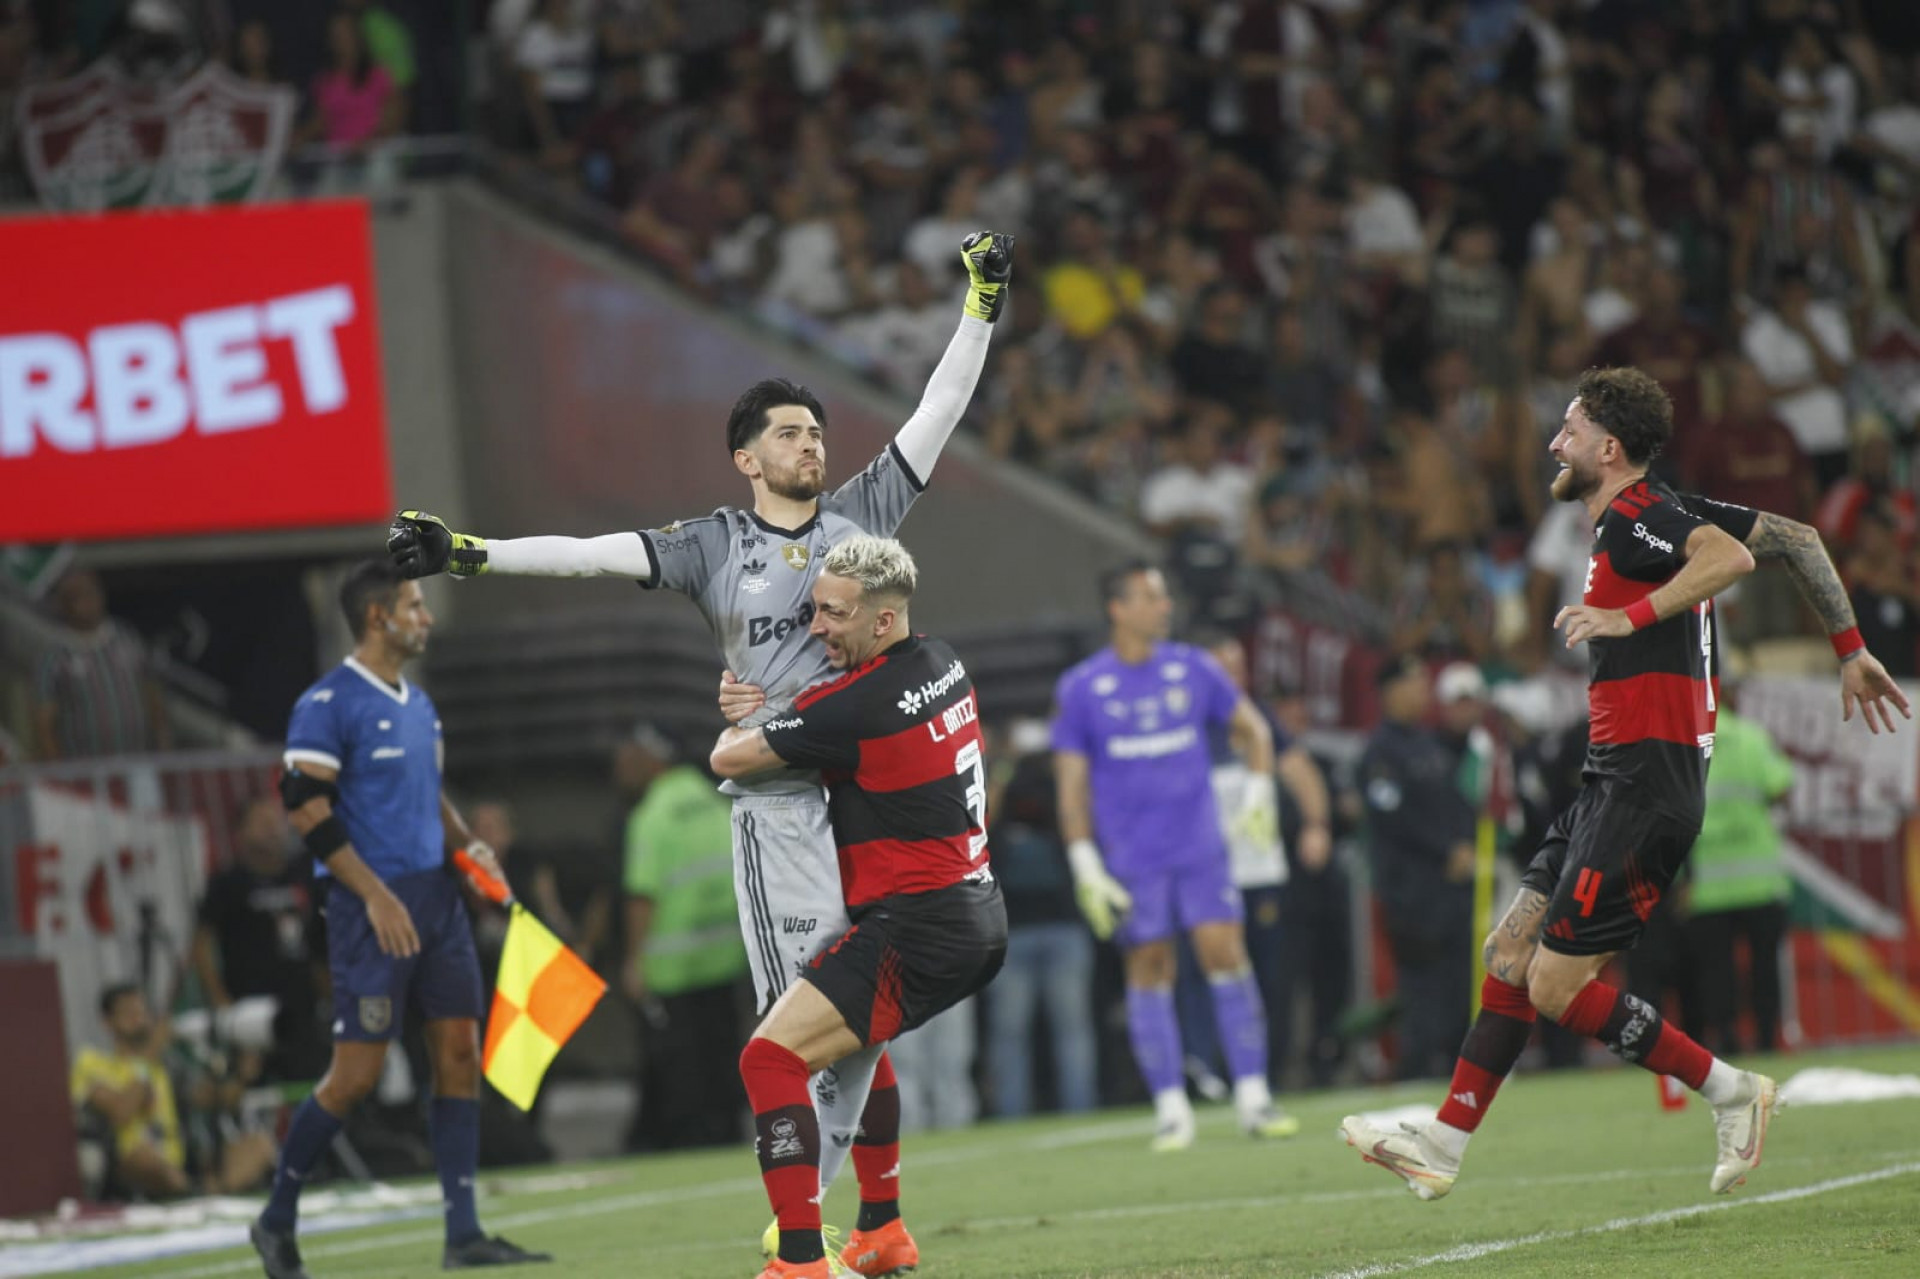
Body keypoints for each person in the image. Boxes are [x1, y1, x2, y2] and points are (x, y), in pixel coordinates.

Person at [388, 231, 1014, 1276]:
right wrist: (473, 554)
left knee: (821, 1025)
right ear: (745, 456)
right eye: (787, 432)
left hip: (854, 806)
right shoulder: (712, 544)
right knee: (830, 1021)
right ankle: (865, 1221)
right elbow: (592, 557)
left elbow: (935, 416)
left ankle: (817, 1226)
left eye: (816, 429)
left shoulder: (860, 514)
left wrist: (982, 307)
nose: (811, 444)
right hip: (779, 806)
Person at [1341, 366, 1912, 1201]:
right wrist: (1850, 645)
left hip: (1646, 785)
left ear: (1608, 448)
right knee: (1508, 951)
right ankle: (1444, 1140)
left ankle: (1729, 1089)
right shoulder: (1658, 511)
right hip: (1608, 780)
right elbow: (1796, 537)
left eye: (1567, 429)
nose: (1552, 443)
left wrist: (1626, 616)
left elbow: (1728, 560)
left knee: (1554, 985)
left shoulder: (1637, 522)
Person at [708, 536, 1006, 1279]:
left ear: (882, 620)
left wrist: (746, 710)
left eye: (833, 614)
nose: (815, 627)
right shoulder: (942, 659)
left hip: (922, 924)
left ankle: (801, 1262)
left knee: (771, 1057)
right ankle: (883, 1228)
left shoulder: (860, 703)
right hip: (973, 912)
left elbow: (728, 758)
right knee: (857, 1046)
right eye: (814, 609)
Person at [250, 562, 548, 1279]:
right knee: (356, 1073)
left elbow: (430, 798)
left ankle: (465, 1231)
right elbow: (305, 807)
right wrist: (375, 895)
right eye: (417, 605)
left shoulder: (419, 703)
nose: (428, 617)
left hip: (437, 901)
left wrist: (470, 852)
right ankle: (276, 1217)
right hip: (366, 907)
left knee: (456, 1056)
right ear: (379, 616)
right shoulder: (326, 702)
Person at [1051, 561, 1300, 1150]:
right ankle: (1170, 1109)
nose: (1164, 607)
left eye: (1163, 596)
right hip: (1131, 859)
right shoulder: (1084, 687)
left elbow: (1255, 732)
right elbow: (1071, 788)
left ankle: (1255, 1100)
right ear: (1118, 608)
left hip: (1200, 849)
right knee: (1149, 968)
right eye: (1150, 597)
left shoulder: (1194, 669)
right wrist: (1085, 863)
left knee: (1226, 955)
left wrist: (1261, 792)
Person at [621, 725, 752, 1151]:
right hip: (725, 956)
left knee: (681, 1065)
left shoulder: (652, 816)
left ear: (651, 759)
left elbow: (643, 894)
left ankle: (689, 1139)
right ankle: (728, 1130)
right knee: (724, 1052)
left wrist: (634, 961)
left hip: (672, 968)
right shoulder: (714, 802)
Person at [1358, 656, 1477, 1082]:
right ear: (1391, 691)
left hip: (1451, 888)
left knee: (1457, 984)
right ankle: (1417, 1071)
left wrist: (1464, 846)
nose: (1423, 691)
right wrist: (1447, 850)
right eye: (1415, 683)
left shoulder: (1430, 745)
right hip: (1411, 891)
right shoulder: (1380, 753)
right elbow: (1395, 819)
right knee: (1421, 987)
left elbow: (1458, 802)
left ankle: (1459, 1072)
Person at [72, 983, 272, 1199]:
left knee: (259, 1144)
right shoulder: (92, 1062)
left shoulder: (167, 1064)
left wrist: (242, 1075)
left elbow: (213, 1098)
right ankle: (194, 1191)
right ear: (107, 1022)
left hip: (183, 1161)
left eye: (142, 1012)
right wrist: (151, 1052)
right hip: (133, 1166)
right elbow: (121, 1112)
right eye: (129, 1013)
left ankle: (212, 1191)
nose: (138, 1019)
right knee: (144, 1157)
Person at [1684, 696, 1795, 1056]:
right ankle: (1766, 1038)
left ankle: (1728, 1040)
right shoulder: (1752, 737)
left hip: (1709, 885)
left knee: (1718, 973)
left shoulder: (1687, 747)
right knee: (1765, 967)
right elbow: (1781, 786)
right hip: (1760, 880)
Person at [191, 797, 326, 1085]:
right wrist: (220, 1001)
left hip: (301, 1006)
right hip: (251, 1011)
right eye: (262, 823)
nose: (272, 829)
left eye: (275, 821)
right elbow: (201, 943)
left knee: (310, 1089)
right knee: (254, 1091)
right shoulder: (228, 883)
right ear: (241, 833)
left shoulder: (302, 876)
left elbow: (320, 939)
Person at [32, 567, 171, 760]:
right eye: (77, 596)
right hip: (89, 771)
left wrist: (164, 748)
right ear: (63, 605)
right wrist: (60, 772)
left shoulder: (126, 637)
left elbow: (152, 693)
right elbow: (44, 723)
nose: (88, 602)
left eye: (92, 592)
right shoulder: (55, 657)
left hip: (140, 762)